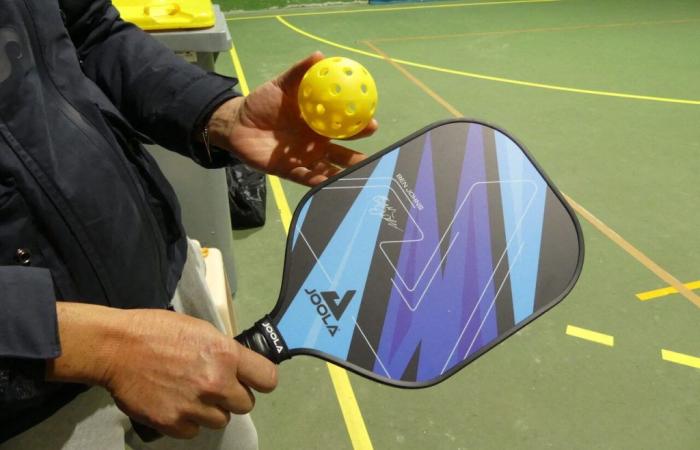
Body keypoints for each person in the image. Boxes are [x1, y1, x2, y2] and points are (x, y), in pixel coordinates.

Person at [0, 0, 377, 448]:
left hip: (165, 282)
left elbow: (90, 31)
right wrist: (93, 344)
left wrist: (220, 114)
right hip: (33, 394)